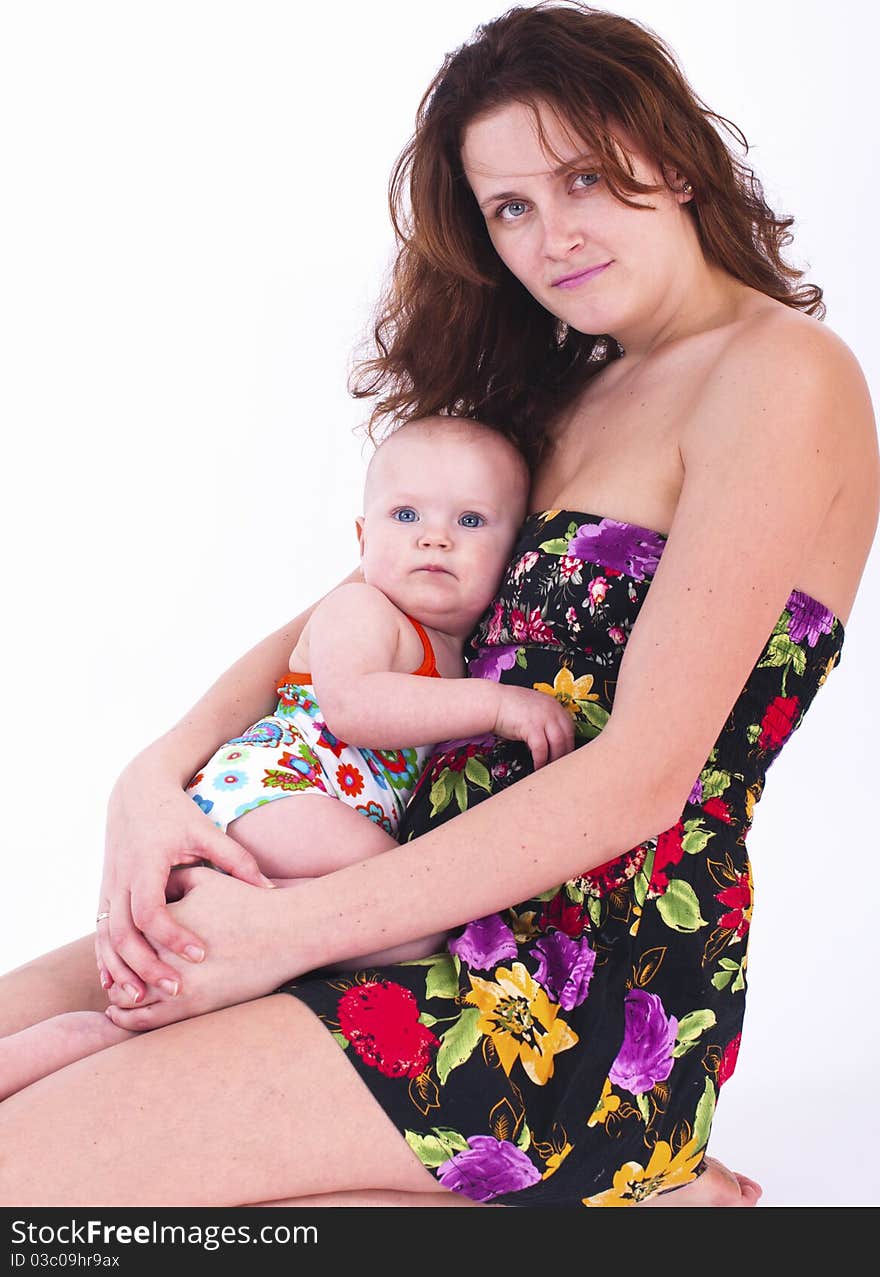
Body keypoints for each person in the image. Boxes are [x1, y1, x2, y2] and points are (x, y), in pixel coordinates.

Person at [0, 1, 876, 1208]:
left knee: (27, 1179)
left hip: (568, 990)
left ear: (669, 157)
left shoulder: (781, 373)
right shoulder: (560, 397)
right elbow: (359, 609)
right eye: (510, 206)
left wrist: (285, 937)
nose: (550, 234)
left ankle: (629, 1185)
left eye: (580, 178)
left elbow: (641, 778)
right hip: (385, 899)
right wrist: (149, 781)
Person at [1, 416, 577, 1101]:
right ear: (363, 540)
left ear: (512, 553)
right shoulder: (363, 610)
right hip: (273, 796)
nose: (435, 536)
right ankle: (275, 921)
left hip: (288, 817)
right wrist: (497, 705)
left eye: (472, 521)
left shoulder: (448, 646)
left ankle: (54, 1052)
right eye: (405, 514)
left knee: (129, 1029)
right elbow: (356, 707)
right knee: (410, 917)